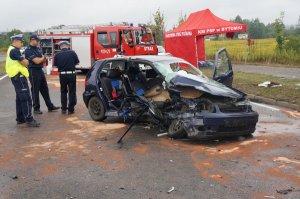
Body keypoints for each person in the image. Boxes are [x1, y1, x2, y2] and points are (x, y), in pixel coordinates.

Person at [5, 34, 40, 127]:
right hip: (19, 76)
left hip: (16, 77)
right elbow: (25, 62)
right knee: (26, 98)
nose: (21, 44)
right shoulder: (14, 51)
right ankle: (29, 119)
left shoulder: (11, 50)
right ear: (15, 41)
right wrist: (26, 61)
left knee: (19, 98)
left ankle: (20, 118)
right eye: (20, 42)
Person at [25, 35, 59, 114]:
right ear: (32, 40)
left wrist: (41, 59)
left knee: (45, 89)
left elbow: (43, 60)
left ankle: (50, 106)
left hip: (40, 70)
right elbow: (37, 61)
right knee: (35, 90)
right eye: (37, 41)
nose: (38, 42)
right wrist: (41, 59)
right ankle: (36, 108)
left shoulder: (38, 49)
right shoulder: (28, 50)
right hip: (33, 70)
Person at [53, 41, 80, 114]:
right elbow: (77, 62)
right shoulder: (72, 53)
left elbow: (55, 66)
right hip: (71, 74)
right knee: (72, 92)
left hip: (62, 75)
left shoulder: (57, 54)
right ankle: (71, 109)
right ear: (67, 46)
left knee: (63, 91)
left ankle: (63, 109)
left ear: (60, 47)